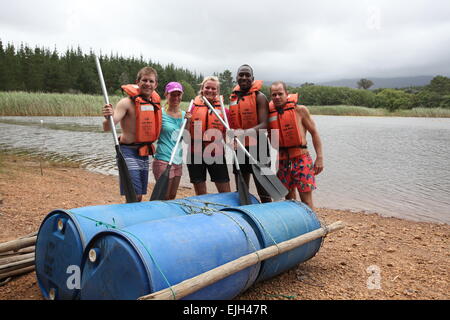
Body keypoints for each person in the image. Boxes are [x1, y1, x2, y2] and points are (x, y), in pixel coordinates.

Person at [102, 67, 161, 202]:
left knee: (139, 194)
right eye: (144, 80)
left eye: (151, 81)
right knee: (133, 192)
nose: (147, 84)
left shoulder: (155, 104)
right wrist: (107, 117)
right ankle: (128, 219)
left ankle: (132, 215)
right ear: (137, 82)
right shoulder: (126, 103)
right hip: (127, 151)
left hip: (144, 152)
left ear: (155, 85)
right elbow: (107, 128)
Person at [269, 81, 324, 210]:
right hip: (282, 162)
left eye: (280, 94)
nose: (277, 97)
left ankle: (313, 225)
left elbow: (314, 133)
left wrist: (319, 157)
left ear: (287, 94)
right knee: (289, 199)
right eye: (274, 94)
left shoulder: (300, 110)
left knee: (306, 199)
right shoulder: (269, 114)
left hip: (301, 159)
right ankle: (296, 226)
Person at [228, 64, 272, 203]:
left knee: (263, 189)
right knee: (242, 188)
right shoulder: (233, 99)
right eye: (241, 74)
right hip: (239, 147)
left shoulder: (260, 97)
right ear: (237, 78)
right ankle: (245, 213)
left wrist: (244, 133)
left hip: (258, 146)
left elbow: (265, 124)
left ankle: (267, 215)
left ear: (253, 78)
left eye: (247, 75)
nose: (244, 77)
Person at [186, 76, 231, 195]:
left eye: (213, 88)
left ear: (218, 91)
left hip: (216, 153)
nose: (210, 90)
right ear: (202, 89)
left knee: (225, 191)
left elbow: (227, 135)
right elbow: (185, 134)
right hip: (195, 153)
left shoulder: (223, 110)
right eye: (207, 87)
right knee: (201, 193)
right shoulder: (192, 107)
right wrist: (187, 121)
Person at [152, 82, 190, 200]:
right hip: (163, 159)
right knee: (164, 196)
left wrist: (188, 122)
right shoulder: (160, 113)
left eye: (179, 94)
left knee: (172, 196)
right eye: (173, 94)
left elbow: (186, 137)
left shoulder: (185, 115)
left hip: (178, 160)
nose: (176, 98)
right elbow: (152, 134)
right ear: (166, 95)